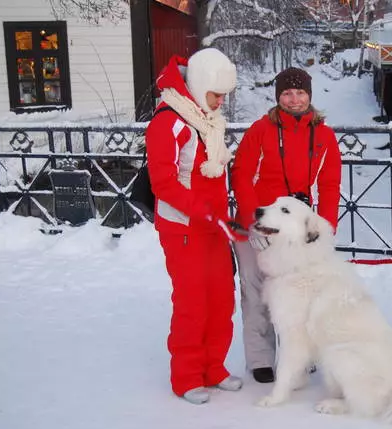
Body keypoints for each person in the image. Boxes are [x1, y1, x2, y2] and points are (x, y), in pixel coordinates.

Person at [145, 48, 247, 404]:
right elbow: (163, 182)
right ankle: (187, 376)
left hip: (212, 225)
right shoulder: (168, 120)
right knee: (192, 303)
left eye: (224, 96)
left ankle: (213, 368)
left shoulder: (207, 120)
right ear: (200, 84)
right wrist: (201, 210)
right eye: (216, 94)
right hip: (183, 228)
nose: (221, 102)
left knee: (221, 299)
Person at [230, 67, 342, 383]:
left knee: (299, 294)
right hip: (258, 225)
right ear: (278, 97)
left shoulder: (324, 135)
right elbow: (241, 175)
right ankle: (261, 359)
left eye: (300, 93)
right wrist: (253, 223)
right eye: (287, 94)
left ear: (309, 96)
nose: (294, 99)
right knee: (255, 290)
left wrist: (324, 228)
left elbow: (331, 183)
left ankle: (300, 355)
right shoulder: (260, 130)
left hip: (295, 230)